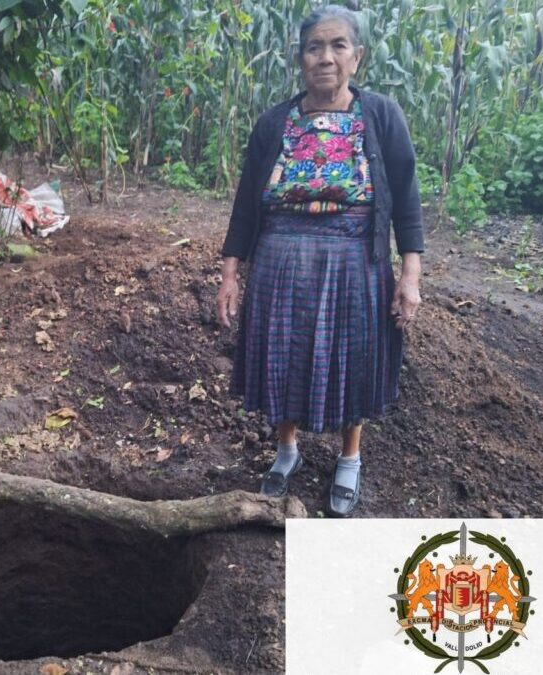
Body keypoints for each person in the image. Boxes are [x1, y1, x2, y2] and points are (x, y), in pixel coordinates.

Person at [215, 4, 424, 517]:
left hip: (353, 261)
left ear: (358, 57)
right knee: (282, 356)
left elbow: (406, 197)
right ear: (300, 57)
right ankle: (286, 450)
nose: (325, 57)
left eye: (338, 46)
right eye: (314, 47)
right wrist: (229, 273)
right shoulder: (273, 124)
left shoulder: (380, 117)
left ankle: (349, 458)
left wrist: (411, 273)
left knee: (352, 356)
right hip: (279, 261)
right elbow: (246, 205)